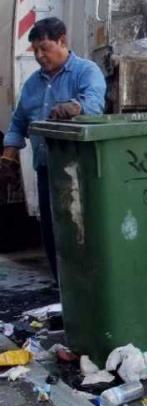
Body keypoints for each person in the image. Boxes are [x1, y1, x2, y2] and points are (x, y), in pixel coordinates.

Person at [1, 17, 106, 284]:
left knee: (81, 233)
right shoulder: (33, 84)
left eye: (44, 48)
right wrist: (9, 155)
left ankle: (88, 291)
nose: (39, 56)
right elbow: (18, 121)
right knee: (51, 233)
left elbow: (94, 104)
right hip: (47, 170)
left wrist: (74, 107)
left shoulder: (87, 71)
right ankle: (61, 291)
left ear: (62, 41)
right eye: (34, 50)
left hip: (80, 173)